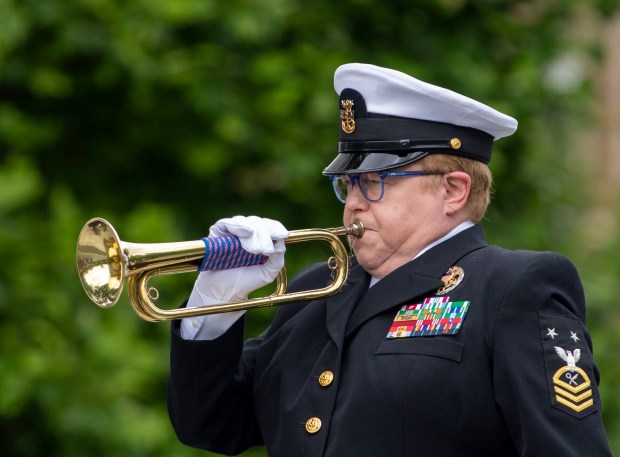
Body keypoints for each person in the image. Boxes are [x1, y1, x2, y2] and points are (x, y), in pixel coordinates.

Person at [167, 63, 613, 456]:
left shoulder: (511, 287)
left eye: (376, 181)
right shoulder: (313, 291)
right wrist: (216, 300)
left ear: (453, 190)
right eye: (349, 183)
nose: (354, 204)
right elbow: (211, 425)